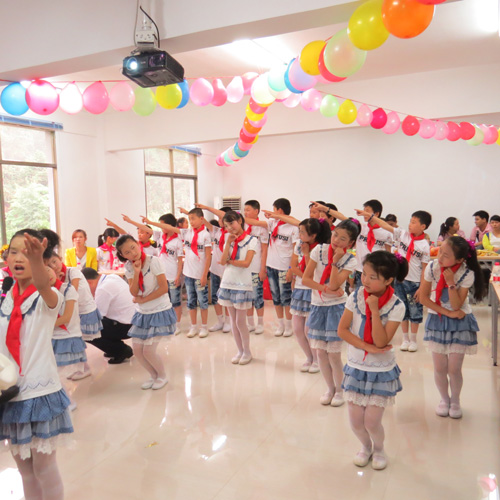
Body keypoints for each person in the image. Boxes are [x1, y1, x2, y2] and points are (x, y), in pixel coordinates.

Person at [0, 229, 73, 499]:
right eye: (14, 252)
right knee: (25, 472)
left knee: (44, 469)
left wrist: (38, 261)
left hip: (40, 395)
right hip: (11, 394)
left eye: (27, 253)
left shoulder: (46, 297)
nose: (19, 258)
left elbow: (43, 284)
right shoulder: (7, 299)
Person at [338, 251, 408, 471]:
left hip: (380, 370)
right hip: (356, 367)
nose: (365, 281)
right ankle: (366, 446)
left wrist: (375, 310)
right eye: (364, 274)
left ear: (388, 280)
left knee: (372, 421)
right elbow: (342, 330)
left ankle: (379, 449)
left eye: (372, 277)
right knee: (355, 421)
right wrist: (365, 347)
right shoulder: (355, 297)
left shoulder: (397, 305)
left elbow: (381, 342)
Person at [419, 236, 484, 419]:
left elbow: (456, 306)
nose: (439, 257)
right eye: (440, 251)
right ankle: (444, 399)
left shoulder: (466, 273)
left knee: (454, 369)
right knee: (440, 367)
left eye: (446, 255)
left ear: (460, 259)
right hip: (438, 319)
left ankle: (455, 401)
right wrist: (447, 313)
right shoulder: (432, 267)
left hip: (460, 322)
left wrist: (450, 283)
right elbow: (423, 298)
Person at [302, 219, 359, 407]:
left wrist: (335, 262)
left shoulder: (350, 259)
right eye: (335, 235)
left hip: (336, 308)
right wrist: (325, 289)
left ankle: (340, 390)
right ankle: (330, 389)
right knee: (320, 353)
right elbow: (306, 279)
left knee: (334, 354)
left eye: (343, 239)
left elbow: (335, 284)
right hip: (318, 306)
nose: (336, 240)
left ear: (350, 243)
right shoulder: (318, 250)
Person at [357, 209, 431, 352]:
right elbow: (385, 225)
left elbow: (425, 269)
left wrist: (422, 287)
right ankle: (405, 339)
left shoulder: (424, 245)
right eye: (410, 221)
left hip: (414, 282)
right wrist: (370, 216)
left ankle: (413, 340)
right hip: (400, 279)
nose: (410, 224)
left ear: (423, 226)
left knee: (415, 311)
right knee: (403, 309)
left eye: (414, 222)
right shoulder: (403, 234)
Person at [116, 235, 176, 390]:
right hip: (143, 313)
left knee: (148, 350)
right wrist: (136, 272)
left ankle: (162, 376)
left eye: (133, 247)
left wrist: (144, 300)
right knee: (137, 350)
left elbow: (164, 288)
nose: (133, 253)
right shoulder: (129, 267)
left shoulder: (154, 261)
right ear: (123, 255)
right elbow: (133, 292)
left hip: (159, 310)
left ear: (137, 244)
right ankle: (154, 376)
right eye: (127, 252)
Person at [143, 208, 212, 338]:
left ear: (201, 219)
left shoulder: (205, 235)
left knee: (202, 302)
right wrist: (150, 222)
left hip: (200, 274)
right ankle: (193, 327)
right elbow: (167, 227)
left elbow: (208, 257)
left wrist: (204, 275)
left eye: (193, 219)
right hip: (188, 273)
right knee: (191, 301)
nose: (191, 222)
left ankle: (204, 327)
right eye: (189, 219)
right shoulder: (186, 233)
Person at [246, 198, 299, 337]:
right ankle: (281, 325)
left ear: (279, 210)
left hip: (284, 267)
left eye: (274, 209)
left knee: (286, 298)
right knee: (276, 297)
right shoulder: (273, 223)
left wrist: (291, 269)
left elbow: (295, 251)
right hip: (271, 266)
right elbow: (255, 222)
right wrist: (238, 218)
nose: (272, 212)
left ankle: (289, 326)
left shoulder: (293, 227)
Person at [311, 200, 392, 289]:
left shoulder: (386, 232)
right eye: (364, 210)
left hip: (376, 270)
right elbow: (343, 218)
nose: (364, 213)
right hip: (360, 269)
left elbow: (388, 253)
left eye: (367, 211)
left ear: (376, 214)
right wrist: (325, 208)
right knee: (360, 294)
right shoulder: (361, 228)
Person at [47, 252, 101, 380]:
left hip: (85, 311)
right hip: (76, 311)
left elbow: (71, 293)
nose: (54, 266)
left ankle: (84, 369)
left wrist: (57, 279)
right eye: (49, 265)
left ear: (60, 259)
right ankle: (83, 368)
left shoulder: (73, 272)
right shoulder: (56, 277)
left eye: (54, 261)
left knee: (78, 340)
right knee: (78, 340)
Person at [290, 218, 331, 374]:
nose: (299, 234)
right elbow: (293, 267)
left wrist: (307, 254)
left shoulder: (320, 250)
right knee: (297, 329)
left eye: (302, 232)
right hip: (300, 290)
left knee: (310, 331)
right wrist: (305, 278)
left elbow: (313, 274)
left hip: (313, 292)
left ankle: (317, 359)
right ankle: (309, 357)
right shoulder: (298, 245)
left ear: (313, 236)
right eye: (299, 231)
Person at [217, 211, 257, 365]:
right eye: (226, 226)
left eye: (231, 223)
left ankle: (247, 351)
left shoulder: (251, 240)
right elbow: (222, 261)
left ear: (240, 221)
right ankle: (240, 351)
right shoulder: (229, 240)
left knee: (241, 321)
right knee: (233, 321)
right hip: (227, 282)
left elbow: (246, 263)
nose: (230, 228)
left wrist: (230, 261)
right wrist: (228, 243)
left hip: (243, 284)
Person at [48, 266, 86, 411]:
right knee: (51, 374)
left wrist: (43, 325)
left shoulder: (68, 289)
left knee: (54, 374)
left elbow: (66, 318)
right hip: (51, 338)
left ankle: (68, 402)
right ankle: (65, 401)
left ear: (57, 272)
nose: (47, 274)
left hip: (67, 338)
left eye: (49, 269)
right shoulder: (40, 293)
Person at [82, 267, 135, 364]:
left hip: (126, 327)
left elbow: (95, 316)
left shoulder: (102, 289)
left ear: (89, 283)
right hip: (133, 322)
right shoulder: (112, 277)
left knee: (85, 329)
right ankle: (114, 347)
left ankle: (121, 350)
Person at [193, 204, 232, 333]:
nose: (219, 220)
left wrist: (207, 207)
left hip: (227, 270)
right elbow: (201, 220)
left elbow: (225, 216)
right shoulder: (216, 231)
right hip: (215, 269)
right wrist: (191, 213)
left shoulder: (232, 232)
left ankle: (228, 321)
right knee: (215, 296)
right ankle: (220, 321)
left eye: (220, 218)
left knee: (227, 297)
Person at [243, 200, 269, 335]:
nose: (245, 212)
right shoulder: (242, 225)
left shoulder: (262, 228)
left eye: (248, 210)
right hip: (244, 267)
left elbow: (264, 250)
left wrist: (262, 268)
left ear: (256, 211)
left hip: (256, 267)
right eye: (244, 210)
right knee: (247, 297)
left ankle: (260, 323)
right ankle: (250, 323)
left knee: (257, 296)